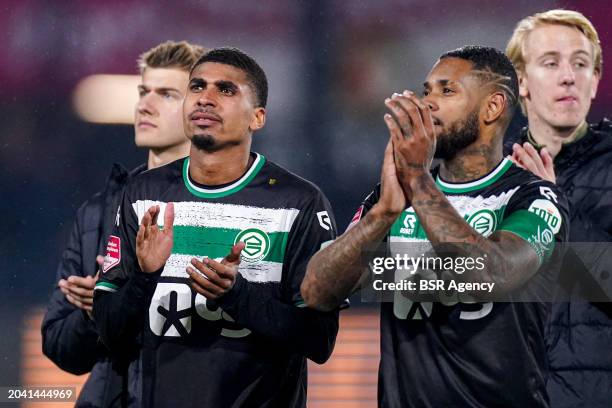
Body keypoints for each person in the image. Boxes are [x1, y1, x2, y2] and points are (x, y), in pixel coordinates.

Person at [301, 45, 570, 407]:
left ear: (492, 107)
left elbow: (490, 274)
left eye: (447, 91)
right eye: (426, 91)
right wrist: (382, 215)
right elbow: (317, 291)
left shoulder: (531, 197)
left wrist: (415, 177)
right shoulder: (393, 197)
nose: (428, 103)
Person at [92, 47, 340, 408]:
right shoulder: (143, 194)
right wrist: (145, 277)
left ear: (258, 117)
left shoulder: (298, 203)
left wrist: (235, 296)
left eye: (225, 90)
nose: (205, 99)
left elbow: (319, 341)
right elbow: (110, 333)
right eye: (197, 87)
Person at [41, 40, 205, 407]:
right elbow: (61, 350)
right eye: (143, 91)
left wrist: (121, 299)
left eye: (165, 94)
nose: (144, 105)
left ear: (201, 110)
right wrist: (91, 313)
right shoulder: (98, 212)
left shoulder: (236, 208)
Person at [505, 9, 612, 407]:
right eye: (550, 63)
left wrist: (553, 208)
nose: (569, 76)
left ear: (596, 80)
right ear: (521, 82)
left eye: (581, 64)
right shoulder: (488, 175)